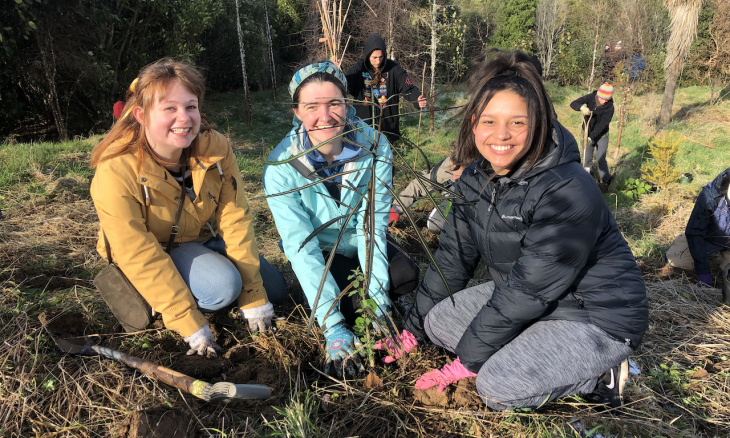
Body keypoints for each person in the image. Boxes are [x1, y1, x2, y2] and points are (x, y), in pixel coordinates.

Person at [394, 51, 647, 410]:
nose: (501, 136)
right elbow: (453, 258)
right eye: (488, 121)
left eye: (517, 123)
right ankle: (533, 344)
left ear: (539, 123)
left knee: (497, 386)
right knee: (438, 322)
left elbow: (529, 289)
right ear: (472, 125)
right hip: (534, 298)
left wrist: (467, 363)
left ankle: (601, 371)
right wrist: (412, 329)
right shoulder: (474, 178)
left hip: (595, 314)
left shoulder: (567, 190)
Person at [90, 59, 286, 358]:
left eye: (190, 106)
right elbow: (137, 249)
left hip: (199, 233)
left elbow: (235, 217)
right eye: (169, 108)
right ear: (141, 115)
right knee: (223, 287)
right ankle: (161, 294)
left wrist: (254, 295)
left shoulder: (215, 148)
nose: (184, 118)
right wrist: (188, 321)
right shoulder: (115, 171)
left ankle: (204, 280)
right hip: (157, 247)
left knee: (275, 288)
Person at [263, 61, 420, 377]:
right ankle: (326, 308)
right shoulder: (281, 167)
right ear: (297, 112)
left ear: (347, 105)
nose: (325, 116)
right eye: (312, 107)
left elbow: (372, 227)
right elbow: (300, 247)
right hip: (319, 248)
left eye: (334, 103)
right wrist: (333, 326)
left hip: (360, 237)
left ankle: (381, 306)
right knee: (345, 308)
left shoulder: (375, 147)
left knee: (404, 275)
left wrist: (378, 306)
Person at [663, 168, 730, 303]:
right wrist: (703, 271)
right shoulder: (710, 195)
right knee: (675, 260)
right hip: (707, 236)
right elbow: (695, 232)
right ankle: (683, 244)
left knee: (727, 273)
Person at [345, 34, 427, 143]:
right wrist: (335, 73)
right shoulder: (358, 69)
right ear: (367, 55)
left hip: (388, 130)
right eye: (374, 57)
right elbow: (342, 85)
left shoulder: (394, 69)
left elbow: (409, 89)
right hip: (363, 130)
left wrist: (417, 99)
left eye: (381, 57)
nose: (378, 61)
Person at [388, 156, 462, 234]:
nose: (454, 176)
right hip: (458, 198)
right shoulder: (454, 162)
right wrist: (396, 209)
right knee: (436, 224)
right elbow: (421, 185)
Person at [570, 83, 615, 186]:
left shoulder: (610, 108)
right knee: (587, 158)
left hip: (601, 135)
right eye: (602, 98)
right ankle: (589, 178)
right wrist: (581, 107)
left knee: (600, 158)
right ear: (598, 95)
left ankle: (605, 180)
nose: (604, 101)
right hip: (587, 131)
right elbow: (573, 103)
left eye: (606, 99)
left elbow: (603, 125)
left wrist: (592, 137)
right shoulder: (590, 97)